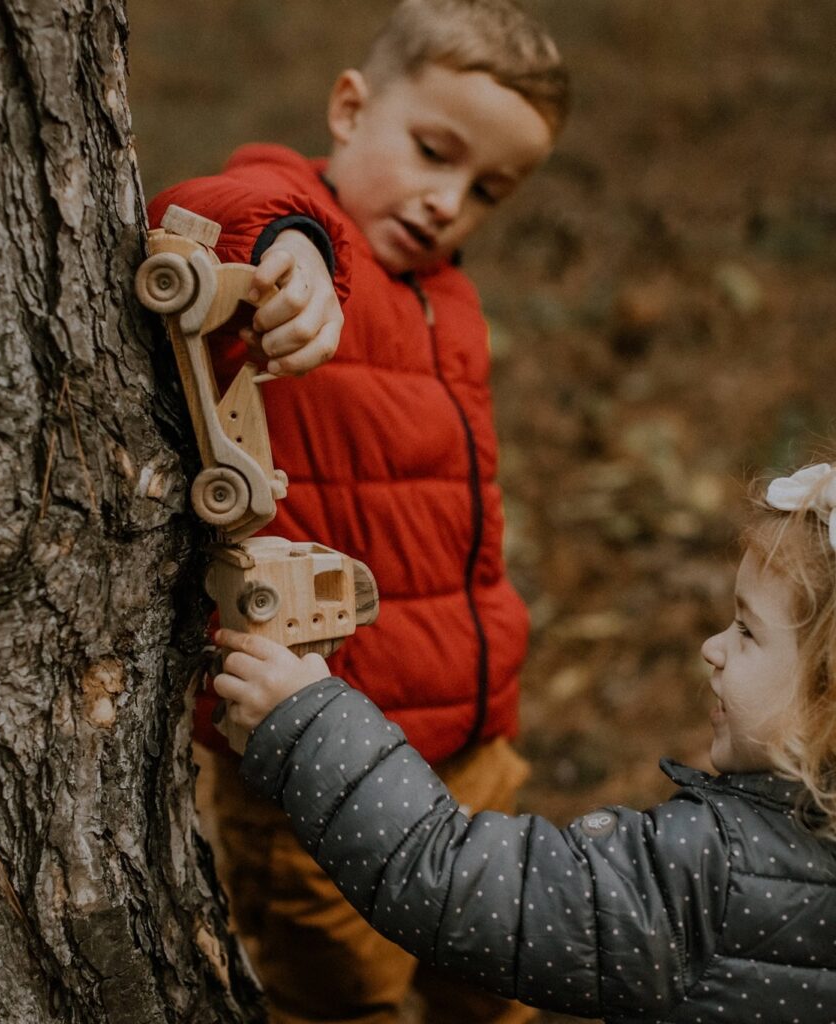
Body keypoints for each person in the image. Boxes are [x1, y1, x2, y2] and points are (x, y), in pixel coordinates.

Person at [147, 2, 569, 1022]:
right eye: (432, 151)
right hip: (306, 765)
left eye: (486, 191)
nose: (446, 202)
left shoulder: (448, 301)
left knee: (501, 976)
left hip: (468, 748)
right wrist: (287, 255)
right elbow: (218, 202)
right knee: (345, 997)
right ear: (350, 106)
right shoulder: (307, 233)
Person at [213, 459, 836, 1022]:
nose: (714, 647)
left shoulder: (711, 874)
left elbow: (454, 883)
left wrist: (310, 725)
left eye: (747, 631)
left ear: (826, 696)